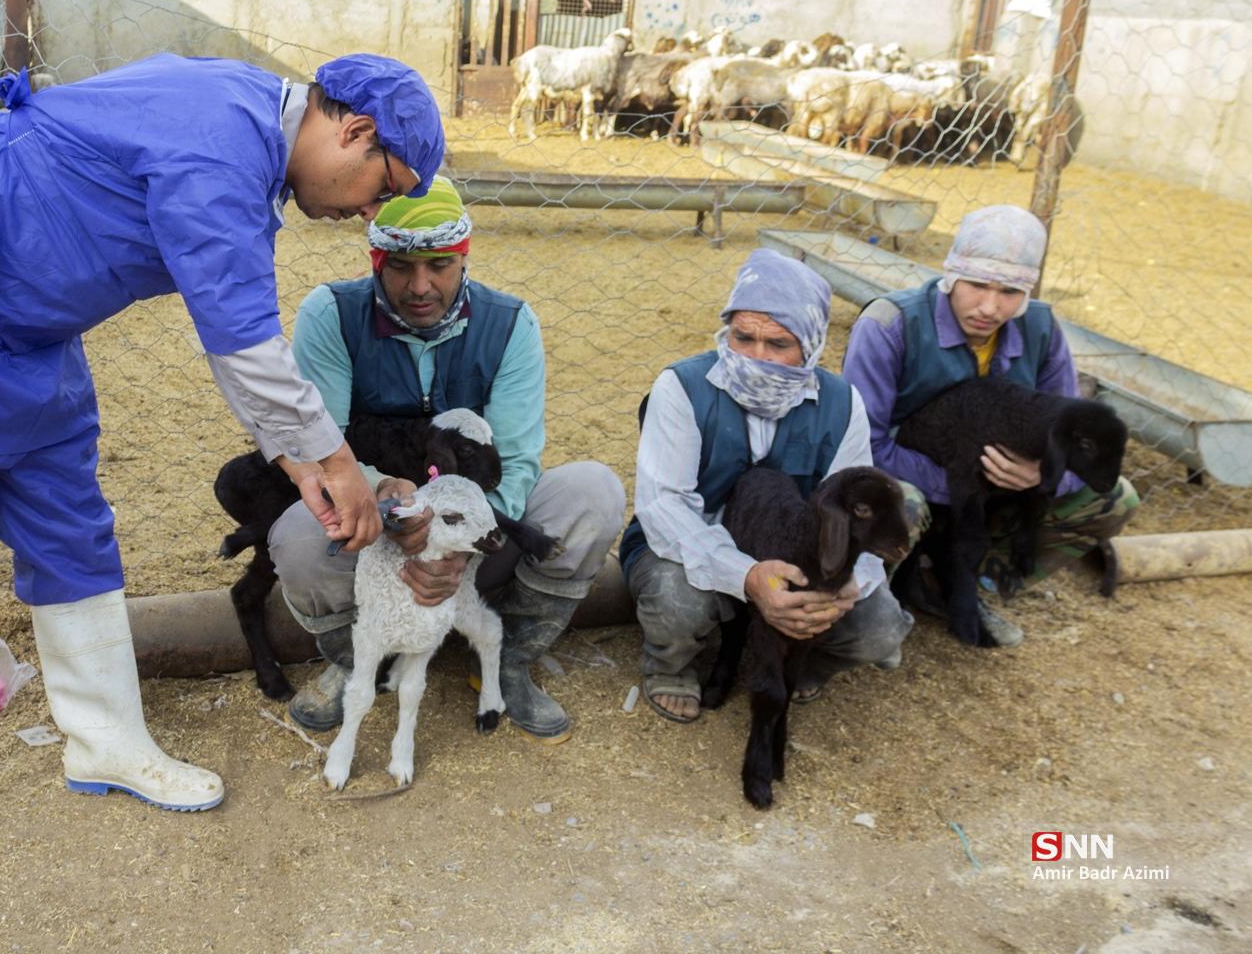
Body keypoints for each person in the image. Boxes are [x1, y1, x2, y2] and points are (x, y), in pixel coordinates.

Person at [0, 51, 445, 918]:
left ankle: (104, 741)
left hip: (25, 327)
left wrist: (303, 463)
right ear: (353, 130)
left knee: (72, 536)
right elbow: (243, 345)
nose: (367, 212)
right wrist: (339, 467)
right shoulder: (222, 146)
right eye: (378, 186)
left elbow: (239, 340)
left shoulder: (246, 118)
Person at [267, 176, 626, 742]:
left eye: (439, 265)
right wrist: (387, 498)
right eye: (401, 267)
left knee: (593, 494)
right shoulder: (330, 315)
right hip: (380, 527)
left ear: (464, 257)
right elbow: (321, 446)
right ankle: (356, 657)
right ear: (374, 259)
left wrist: (456, 546)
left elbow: (515, 458)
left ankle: (509, 659)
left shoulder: (511, 323)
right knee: (297, 539)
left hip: (481, 531)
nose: (420, 286)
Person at [623, 249, 912, 723]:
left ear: (813, 345)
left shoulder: (843, 404)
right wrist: (748, 577)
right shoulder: (681, 386)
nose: (757, 357)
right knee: (677, 600)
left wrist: (844, 591)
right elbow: (664, 507)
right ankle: (671, 668)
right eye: (743, 337)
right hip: (689, 544)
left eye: (778, 343)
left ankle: (807, 664)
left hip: (801, 556)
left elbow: (857, 511)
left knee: (877, 630)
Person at [842, 204, 1139, 646]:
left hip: (997, 493)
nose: (990, 307)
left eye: (1010, 291)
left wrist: (1042, 476)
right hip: (918, 477)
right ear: (951, 275)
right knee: (902, 504)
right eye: (977, 285)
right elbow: (863, 446)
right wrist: (970, 484)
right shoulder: (890, 325)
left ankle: (962, 582)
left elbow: (1072, 428)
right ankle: (860, 608)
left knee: (1113, 499)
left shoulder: (1041, 328)